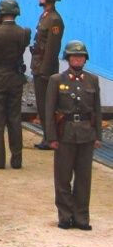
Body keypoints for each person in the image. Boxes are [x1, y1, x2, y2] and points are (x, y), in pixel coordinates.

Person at [43, 41, 101, 230]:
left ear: (85, 59)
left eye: (81, 57)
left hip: (86, 133)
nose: (77, 59)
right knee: (63, 177)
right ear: (68, 59)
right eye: (74, 57)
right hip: (65, 133)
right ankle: (65, 215)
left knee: (84, 178)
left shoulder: (92, 80)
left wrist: (98, 135)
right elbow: (49, 110)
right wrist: (51, 137)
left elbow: (97, 110)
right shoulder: (57, 80)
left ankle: (81, 217)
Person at [0, 0, 30, 169]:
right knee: (14, 119)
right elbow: (24, 44)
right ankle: (17, 159)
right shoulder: (23, 32)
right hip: (15, 78)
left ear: (0, 14)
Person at [31, 0, 64, 151]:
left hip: (45, 69)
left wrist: (44, 70)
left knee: (47, 105)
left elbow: (52, 49)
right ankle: (47, 136)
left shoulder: (54, 20)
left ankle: (50, 138)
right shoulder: (45, 16)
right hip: (38, 66)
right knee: (41, 104)